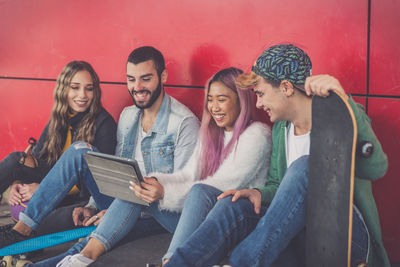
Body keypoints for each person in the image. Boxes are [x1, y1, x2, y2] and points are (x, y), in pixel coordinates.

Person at [163, 44, 390, 267]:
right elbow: (278, 186)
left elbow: (376, 168)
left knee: (305, 166)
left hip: (344, 236)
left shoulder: (343, 116)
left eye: (261, 94)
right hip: (296, 233)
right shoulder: (282, 129)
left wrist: (343, 102)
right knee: (231, 206)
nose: (259, 103)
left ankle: (242, 263)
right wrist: (257, 192)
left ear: (286, 87)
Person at [39, 67, 272, 267]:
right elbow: (188, 175)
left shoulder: (257, 135)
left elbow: (222, 186)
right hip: (193, 216)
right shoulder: (212, 135)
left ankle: (172, 262)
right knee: (137, 186)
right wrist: (155, 184)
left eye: (222, 99)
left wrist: (165, 192)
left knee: (200, 192)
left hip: (227, 223)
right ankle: (84, 257)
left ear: (240, 100)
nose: (214, 107)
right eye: (210, 99)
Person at [0, 46, 200, 258]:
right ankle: (22, 230)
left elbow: (186, 193)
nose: (137, 86)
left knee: (86, 245)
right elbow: (113, 172)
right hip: (122, 199)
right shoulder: (128, 116)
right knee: (79, 149)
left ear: (163, 76)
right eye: (131, 79)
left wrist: (117, 209)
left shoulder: (184, 123)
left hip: (156, 213)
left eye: (146, 79)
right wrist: (94, 206)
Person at [0, 60, 117, 226]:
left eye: (89, 88)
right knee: (15, 160)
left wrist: (42, 190)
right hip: (50, 184)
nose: (83, 94)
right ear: (64, 89)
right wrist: (17, 183)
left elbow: (100, 182)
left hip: (80, 198)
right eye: (75, 87)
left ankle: (26, 243)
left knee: (61, 216)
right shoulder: (60, 118)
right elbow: (35, 158)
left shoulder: (104, 124)